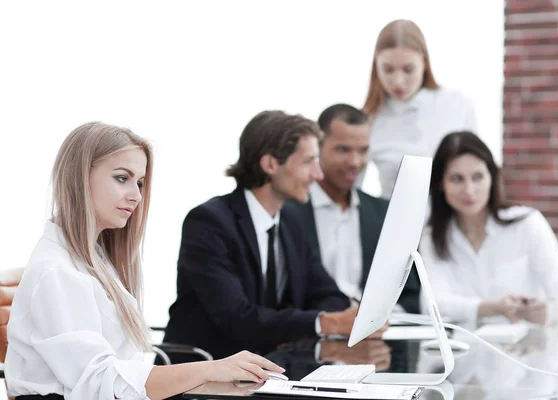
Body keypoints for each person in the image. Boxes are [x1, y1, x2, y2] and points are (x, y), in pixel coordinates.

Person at [5, 122, 283, 400]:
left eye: (139, 182)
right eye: (122, 178)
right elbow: (98, 382)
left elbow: (128, 375)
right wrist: (208, 371)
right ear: (78, 177)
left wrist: (221, 382)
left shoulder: (93, 261)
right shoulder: (57, 271)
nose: (136, 196)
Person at [163, 111, 382, 361]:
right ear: (270, 165)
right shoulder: (209, 222)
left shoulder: (290, 220)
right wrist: (325, 322)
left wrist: (342, 318)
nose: (318, 174)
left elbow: (327, 294)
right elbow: (236, 318)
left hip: (270, 370)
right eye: (308, 162)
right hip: (205, 375)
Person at [419, 131, 558, 328]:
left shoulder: (526, 225)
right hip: (465, 355)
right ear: (441, 184)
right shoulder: (432, 237)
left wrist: (552, 313)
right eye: (457, 179)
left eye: (478, 177)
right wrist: (491, 308)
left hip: (528, 353)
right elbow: (431, 305)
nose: (469, 190)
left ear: (492, 177)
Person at [288, 104, 420, 313]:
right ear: (317, 147)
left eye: (363, 150)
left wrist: (381, 318)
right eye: (343, 149)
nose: (355, 162)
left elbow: (411, 294)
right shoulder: (287, 212)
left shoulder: (385, 214)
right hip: (310, 335)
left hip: (378, 337)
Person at [361, 19, 477, 199]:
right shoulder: (369, 120)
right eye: (388, 70)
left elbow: (476, 170)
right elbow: (350, 191)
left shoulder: (457, 105)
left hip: (449, 221)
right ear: (376, 65)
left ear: (424, 63)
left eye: (408, 69)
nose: (398, 81)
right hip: (392, 220)